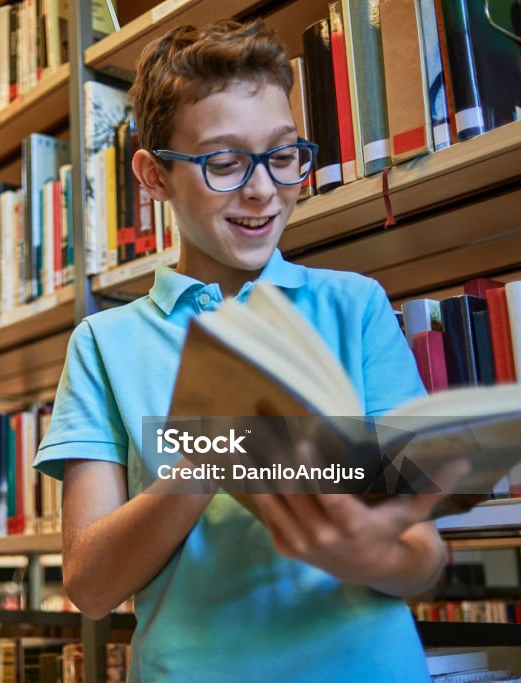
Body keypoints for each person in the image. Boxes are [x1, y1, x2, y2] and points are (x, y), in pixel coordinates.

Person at [34, 20, 450, 681]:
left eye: (282, 156)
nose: (261, 189)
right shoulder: (104, 345)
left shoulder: (356, 307)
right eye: (224, 162)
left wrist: (357, 546)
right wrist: (208, 459)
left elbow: (425, 557)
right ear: (154, 176)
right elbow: (89, 585)